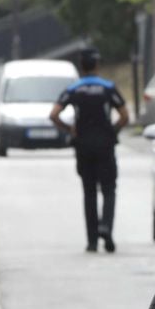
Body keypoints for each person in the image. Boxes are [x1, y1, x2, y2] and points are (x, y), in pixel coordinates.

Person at [53, 48, 130, 253]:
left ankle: (92, 240)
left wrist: (69, 129)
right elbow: (124, 115)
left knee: (89, 192)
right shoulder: (108, 88)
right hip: (105, 146)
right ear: (96, 66)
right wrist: (113, 131)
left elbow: (54, 114)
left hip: (83, 146)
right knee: (109, 189)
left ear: (81, 66)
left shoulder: (73, 89)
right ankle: (106, 227)